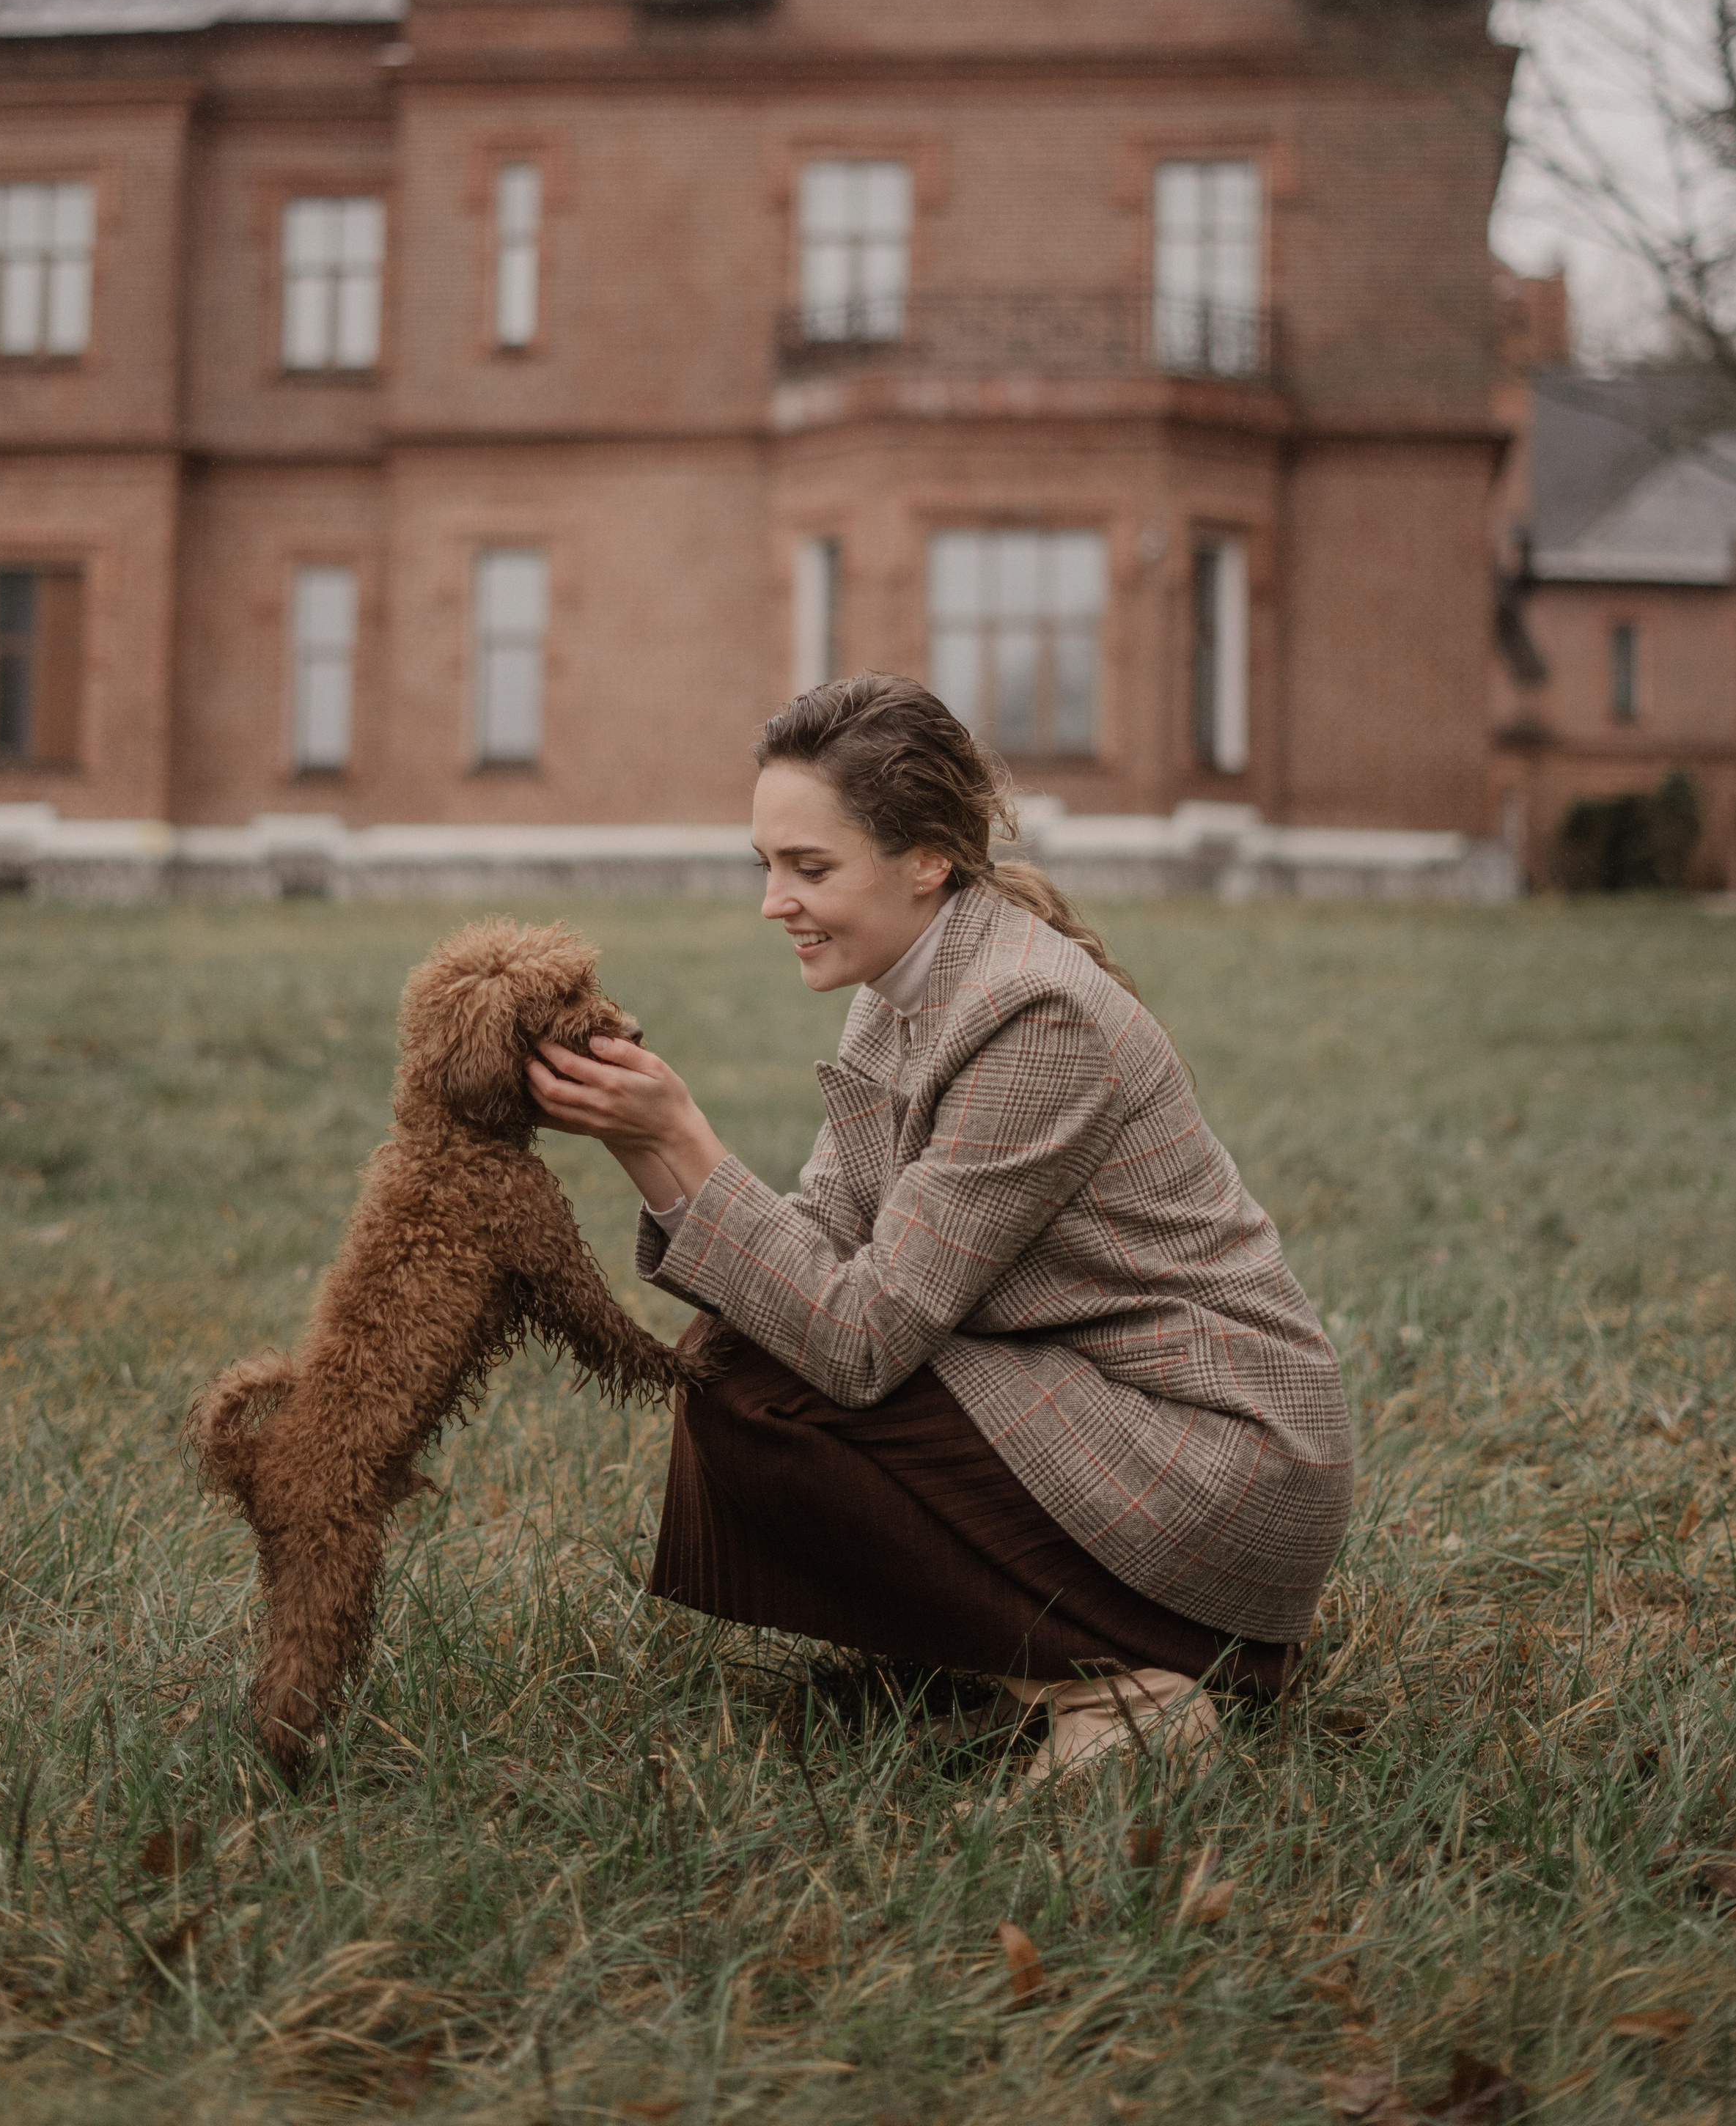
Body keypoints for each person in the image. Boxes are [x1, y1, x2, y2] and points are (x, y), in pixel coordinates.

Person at [526, 672, 1353, 1787]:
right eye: (766, 865)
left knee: (761, 1388)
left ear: (925, 860)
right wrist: (656, 1145)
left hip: (1219, 1454)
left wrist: (674, 1137)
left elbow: (861, 1341)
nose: (774, 901)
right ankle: (1045, 1659)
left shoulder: (1029, 1011)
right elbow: (820, 1240)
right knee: (735, 1361)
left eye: (809, 868)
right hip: (1090, 1402)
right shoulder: (902, 981)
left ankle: (1124, 1682)